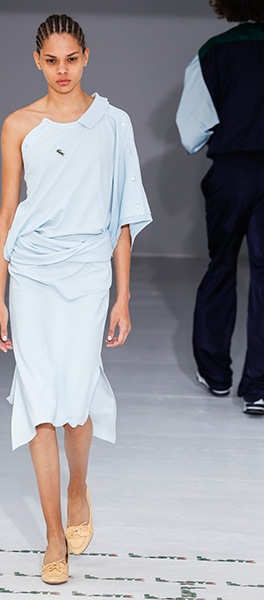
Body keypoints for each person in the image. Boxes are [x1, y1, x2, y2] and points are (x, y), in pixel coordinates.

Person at [0, 14, 151, 584]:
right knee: (39, 402)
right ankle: (53, 534)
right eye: (52, 60)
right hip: (32, 272)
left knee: (76, 403)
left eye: (72, 59)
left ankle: (78, 488)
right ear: (38, 60)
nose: (63, 70)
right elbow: (8, 213)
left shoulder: (113, 124)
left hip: (87, 274)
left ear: (86, 57)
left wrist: (123, 296)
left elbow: (121, 214)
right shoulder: (19, 124)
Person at [176, 0, 264, 416]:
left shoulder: (215, 50)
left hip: (231, 173)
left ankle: (215, 373)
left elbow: (190, 133)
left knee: (222, 265)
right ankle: (259, 386)